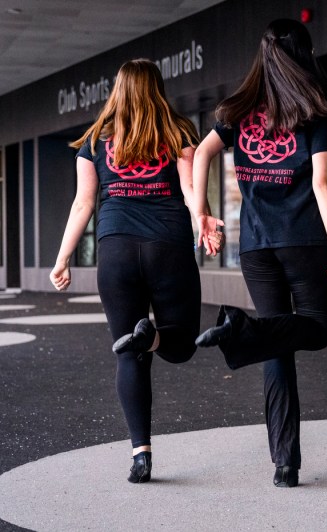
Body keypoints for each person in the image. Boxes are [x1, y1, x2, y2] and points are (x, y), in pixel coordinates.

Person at [192, 19, 327, 488]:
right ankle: (244, 329)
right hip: (302, 242)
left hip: (256, 247)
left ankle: (285, 463)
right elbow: (322, 183)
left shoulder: (237, 111)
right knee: (316, 330)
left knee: (275, 344)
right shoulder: (317, 112)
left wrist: (201, 211)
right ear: (306, 55)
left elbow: (201, 154)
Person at [49, 59, 223, 483]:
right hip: (168, 247)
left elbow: (83, 204)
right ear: (158, 88)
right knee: (180, 345)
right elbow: (188, 188)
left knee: (129, 352)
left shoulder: (95, 140)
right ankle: (156, 335)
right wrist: (203, 217)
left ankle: (141, 455)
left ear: (117, 90)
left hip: (116, 252)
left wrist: (63, 257)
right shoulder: (179, 131)